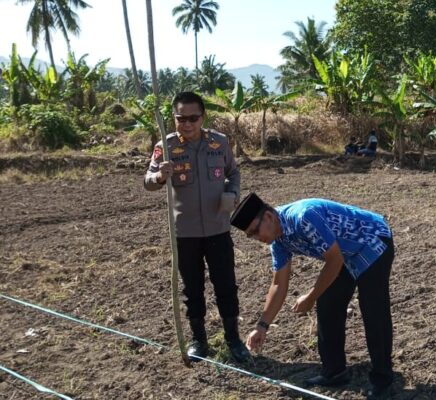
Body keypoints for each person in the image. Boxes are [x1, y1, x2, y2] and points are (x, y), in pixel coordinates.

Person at [230, 193, 394, 399]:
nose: (256, 238)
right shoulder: (278, 242)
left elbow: (334, 261)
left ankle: (383, 380)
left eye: (255, 230)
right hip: (344, 252)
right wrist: (262, 326)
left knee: (373, 309)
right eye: (250, 235)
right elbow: (279, 283)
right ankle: (335, 371)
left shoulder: (303, 217)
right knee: (328, 305)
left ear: (269, 217)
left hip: (372, 240)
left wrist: (311, 296)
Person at [144, 91, 251, 363]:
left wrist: (233, 193)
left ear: (203, 117)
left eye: (193, 118)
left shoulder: (219, 142)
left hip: (218, 228)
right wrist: (159, 176)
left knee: (226, 285)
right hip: (185, 233)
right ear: (174, 118)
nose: (187, 124)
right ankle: (199, 341)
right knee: (192, 289)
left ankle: (233, 339)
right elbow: (147, 181)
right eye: (181, 118)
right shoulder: (165, 147)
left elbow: (233, 173)